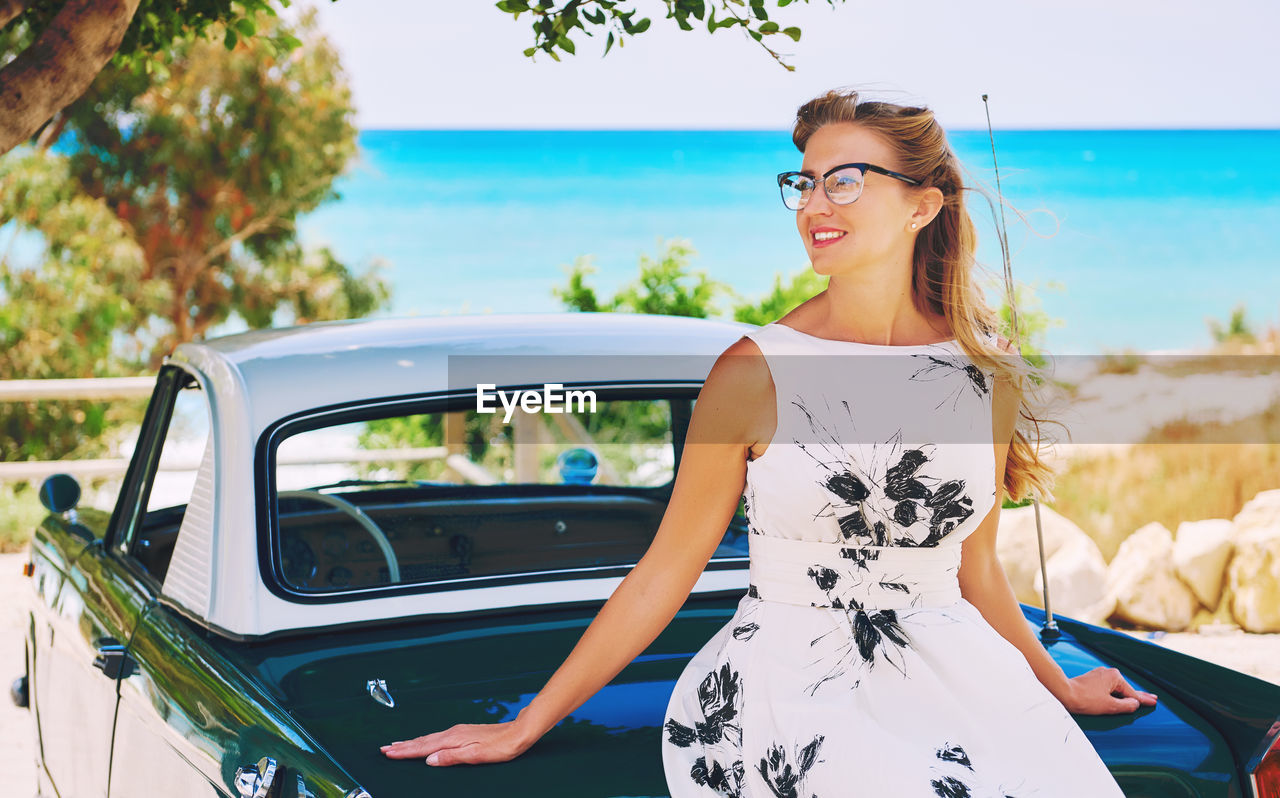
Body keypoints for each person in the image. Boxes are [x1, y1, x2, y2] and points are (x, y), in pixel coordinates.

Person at [380, 88, 1157, 795]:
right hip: (794, 684)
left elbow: (977, 571)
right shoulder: (756, 372)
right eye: (805, 181)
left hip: (961, 676)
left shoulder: (984, 374)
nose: (814, 202)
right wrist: (527, 722)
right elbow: (663, 573)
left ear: (922, 207)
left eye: (845, 179)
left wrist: (1058, 685)